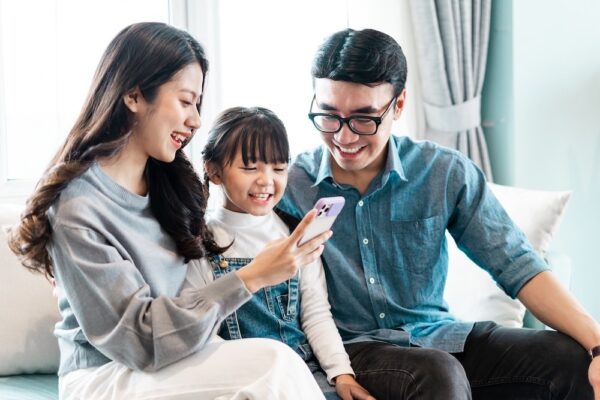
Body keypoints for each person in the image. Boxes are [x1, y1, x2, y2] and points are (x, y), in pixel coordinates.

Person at [8, 22, 331, 400]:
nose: (196, 120)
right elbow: (139, 341)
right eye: (185, 101)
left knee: (268, 369)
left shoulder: (170, 185)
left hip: (174, 361)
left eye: (198, 104)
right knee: (273, 364)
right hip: (106, 374)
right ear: (133, 95)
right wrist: (252, 276)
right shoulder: (78, 207)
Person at [277, 28, 600, 400]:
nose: (344, 137)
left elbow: (516, 263)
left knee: (568, 359)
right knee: (438, 373)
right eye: (329, 116)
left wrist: (596, 345)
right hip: (351, 352)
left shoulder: (442, 172)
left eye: (364, 119)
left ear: (399, 105)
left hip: (438, 337)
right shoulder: (289, 186)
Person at [200, 106, 375, 400]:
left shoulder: (294, 233)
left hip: (302, 371)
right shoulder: (201, 242)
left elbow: (316, 313)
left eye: (279, 168)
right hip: (243, 379)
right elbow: (202, 330)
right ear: (214, 170)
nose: (266, 180)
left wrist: (341, 374)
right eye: (250, 168)